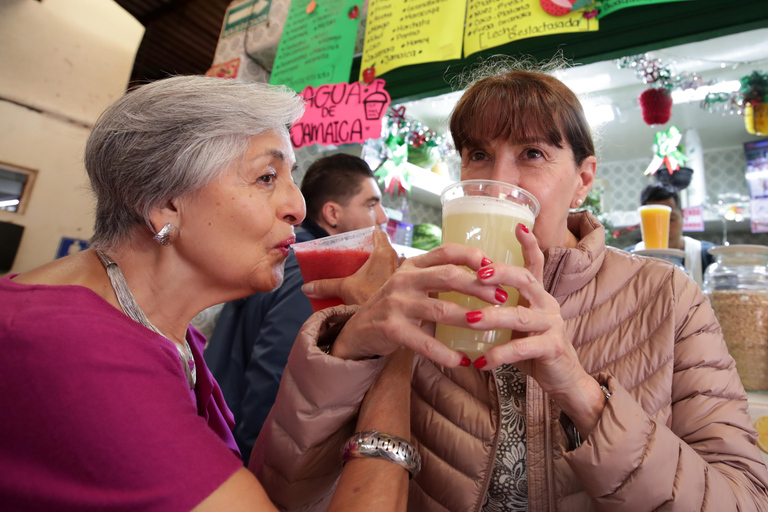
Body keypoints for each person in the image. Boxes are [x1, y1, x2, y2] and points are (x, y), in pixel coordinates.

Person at [250, 65, 768, 511]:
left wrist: (584, 397)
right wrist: (349, 351)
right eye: (478, 154)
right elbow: (285, 493)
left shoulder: (667, 297)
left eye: (533, 154)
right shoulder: (415, 299)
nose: (500, 181)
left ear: (584, 179)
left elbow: (746, 498)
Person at [0, 76, 413, 512]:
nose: (298, 206)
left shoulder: (167, 332)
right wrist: (393, 349)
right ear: (167, 202)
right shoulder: (80, 350)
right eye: (267, 177)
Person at [205, 153, 389, 463]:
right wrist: (263, 473)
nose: (382, 217)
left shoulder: (284, 256)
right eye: (371, 204)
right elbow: (278, 386)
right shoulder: (313, 274)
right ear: (332, 213)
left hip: (219, 436)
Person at [624, 182, 716, 286]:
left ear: (682, 215)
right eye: (654, 221)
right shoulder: (628, 259)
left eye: (671, 219)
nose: (662, 229)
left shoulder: (707, 256)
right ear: (642, 221)